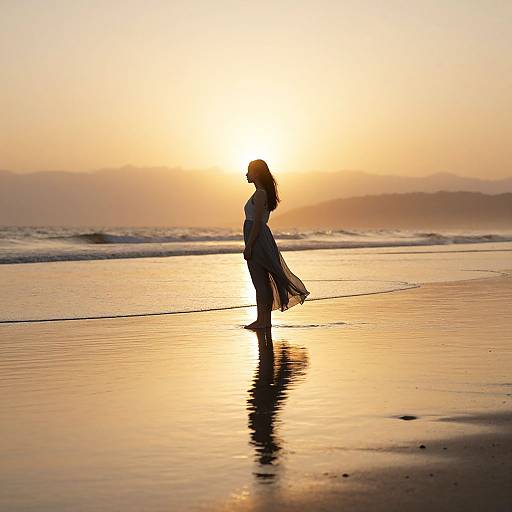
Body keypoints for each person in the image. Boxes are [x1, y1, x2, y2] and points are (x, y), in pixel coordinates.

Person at [243, 159, 310, 329]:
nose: (246, 174)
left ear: (256, 173)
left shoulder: (260, 194)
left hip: (258, 239)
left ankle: (263, 321)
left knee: (260, 281)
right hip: (260, 238)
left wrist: (249, 245)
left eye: (249, 171)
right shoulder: (261, 193)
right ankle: (264, 321)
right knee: (261, 282)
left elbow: (257, 222)